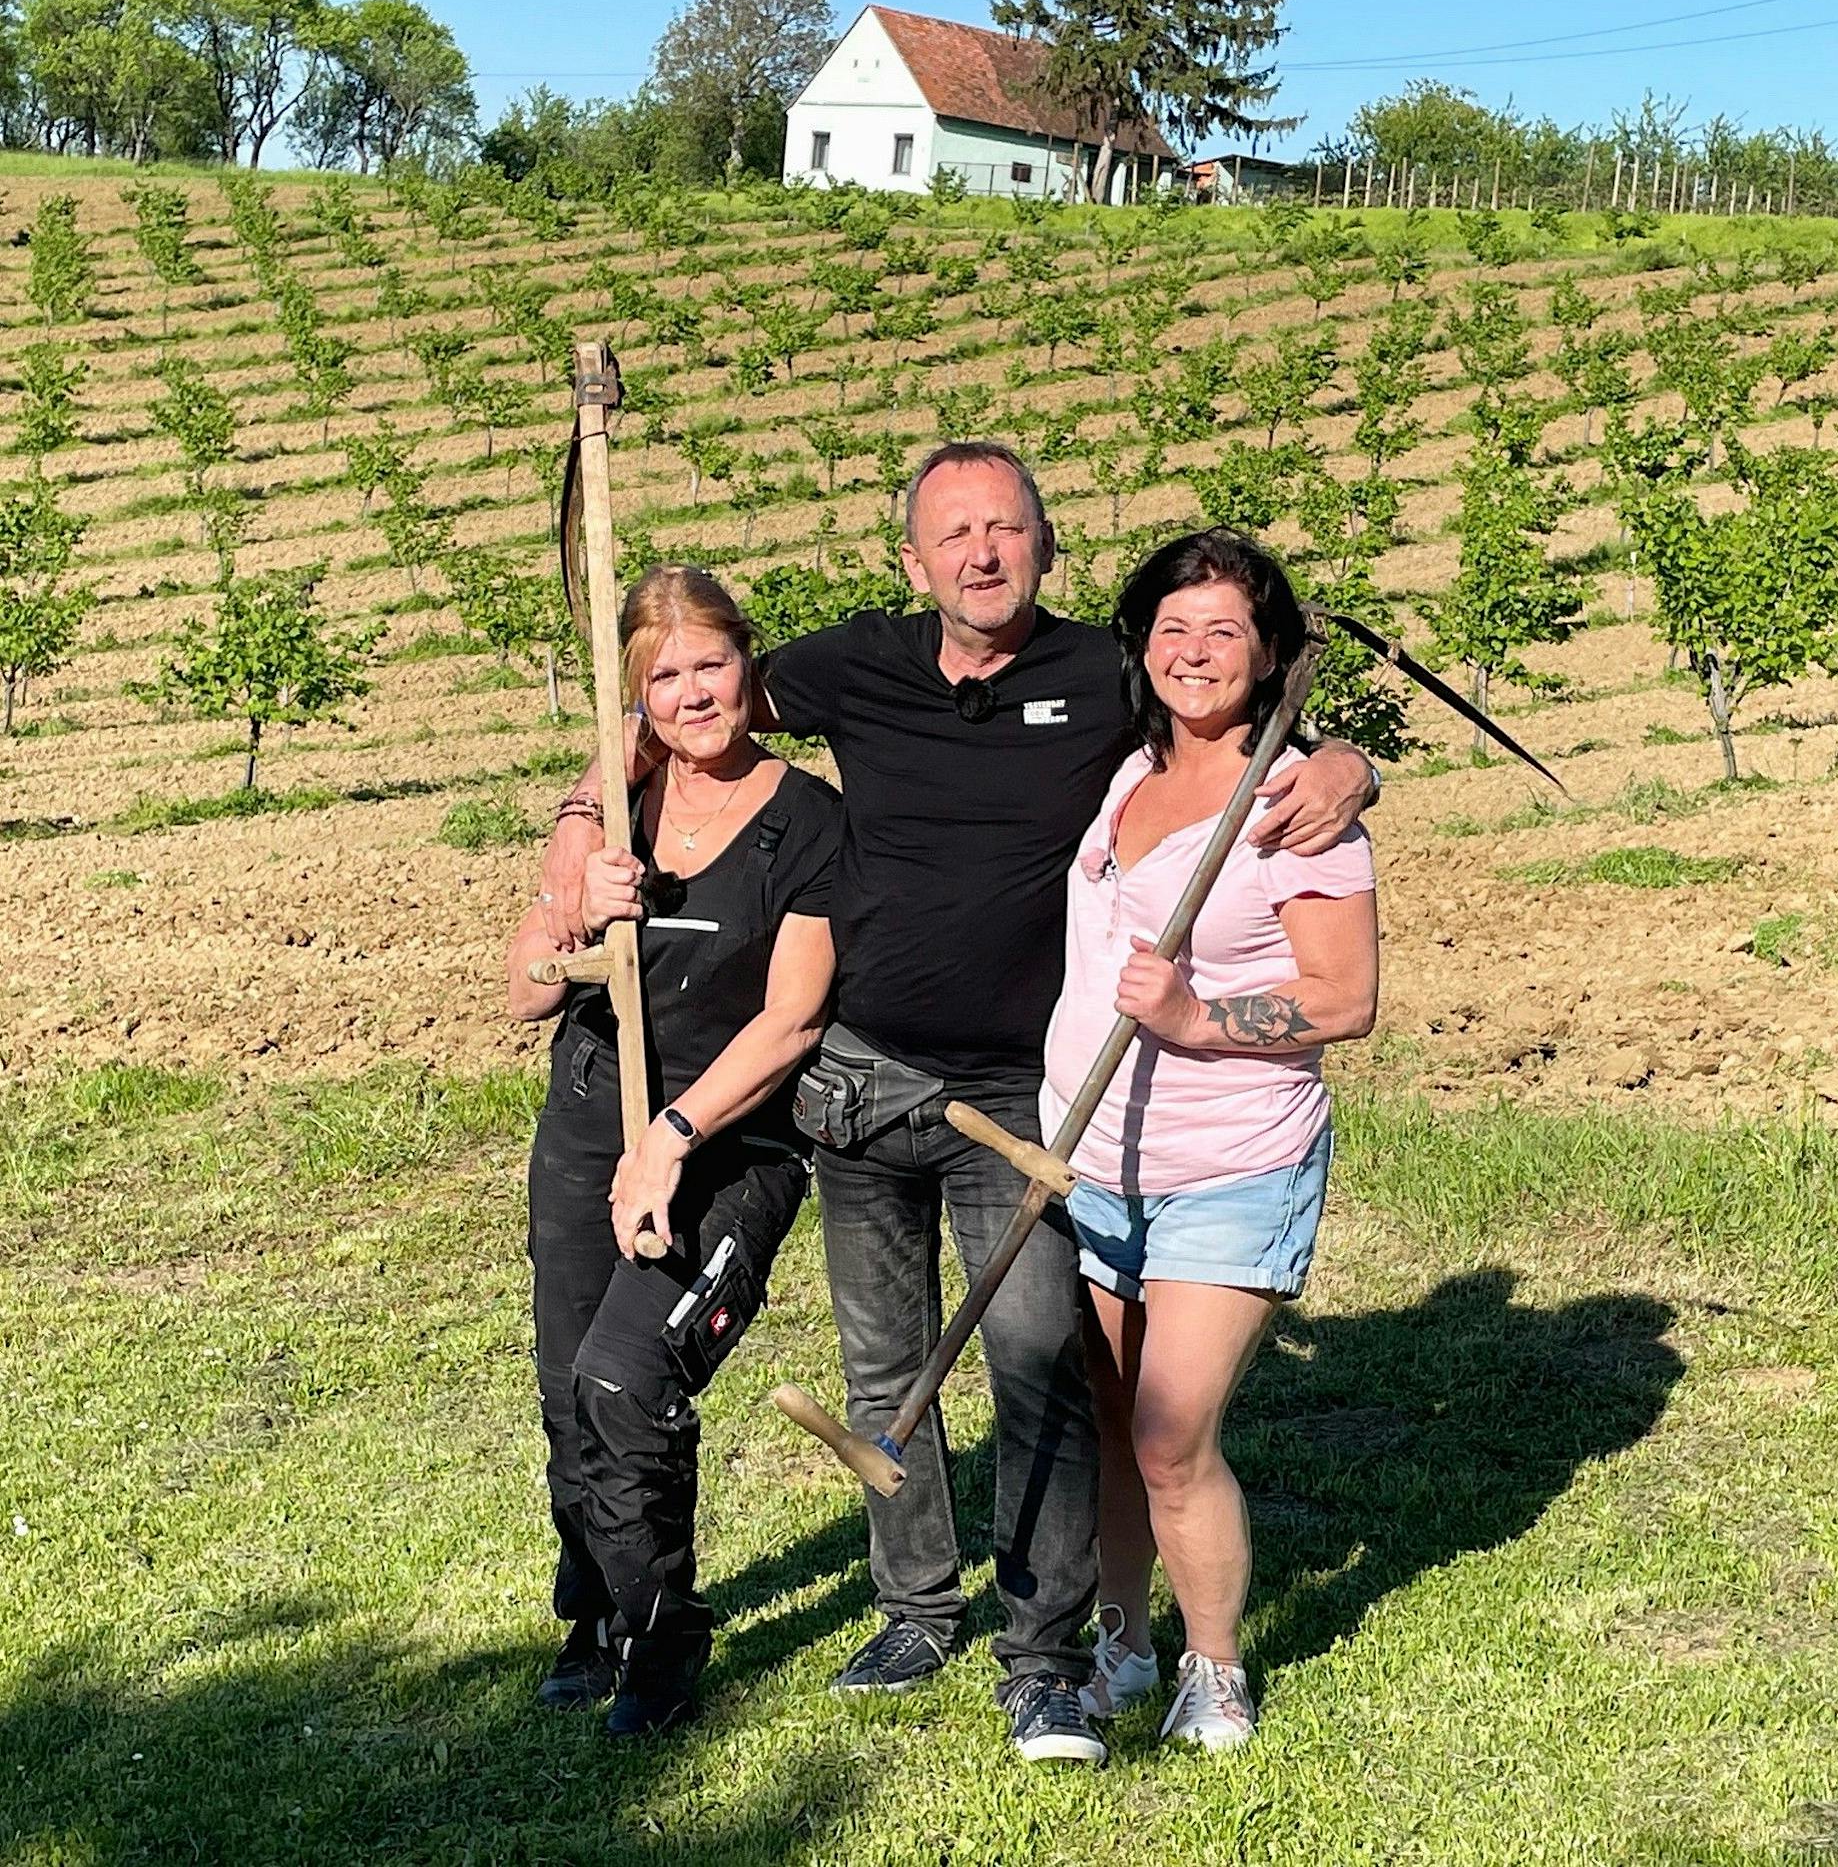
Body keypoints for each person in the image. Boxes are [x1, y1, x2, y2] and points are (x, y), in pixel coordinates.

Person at [538, 444, 1377, 1764]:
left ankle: (1043, 1659)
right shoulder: (846, 666)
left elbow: (1226, 707)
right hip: (860, 1080)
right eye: (954, 536)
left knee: (1034, 1364)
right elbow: (675, 704)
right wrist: (593, 814)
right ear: (913, 562)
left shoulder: (1100, 675)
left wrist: (1344, 762)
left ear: (1046, 545)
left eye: (1008, 530)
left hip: (1014, 1097)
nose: (982, 555)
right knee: (885, 1367)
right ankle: (915, 1604)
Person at [1041, 530, 1378, 1753]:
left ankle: (1215, 1666)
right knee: (1113, 1407)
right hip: (1093, 1160)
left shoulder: (1293, 806)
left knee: (1172, 1432)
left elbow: (1343, 998)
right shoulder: (1123, 772)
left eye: (1223, 629)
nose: (1194, 652)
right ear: (1139, 644)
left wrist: (1192, 1017)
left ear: (1269, 650)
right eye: (1172, 627)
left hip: (1231, 1161)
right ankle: (1122, 1641)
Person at [506, 564, 841, 1738]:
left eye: (711, 663)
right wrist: (572, 911)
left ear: (748, 666)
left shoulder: (807, 817)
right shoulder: (615, 809)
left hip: (725, 1142)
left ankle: (662, 1630)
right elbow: (520, 995)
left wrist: (672, 1134)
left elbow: (792, 1017)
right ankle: (591, 1615)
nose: (693, 692)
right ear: (633, 694)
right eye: (664, 675)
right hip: (587, 1117)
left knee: (626, 1380)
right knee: (565, 1391)